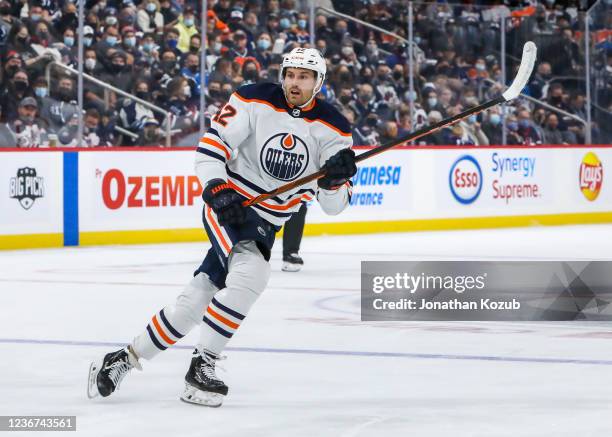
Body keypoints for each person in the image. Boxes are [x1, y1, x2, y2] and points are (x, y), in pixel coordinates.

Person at [87, 47, 357, 407]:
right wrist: (216, 187)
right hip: (232, 206)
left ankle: (124, 358)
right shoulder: (253, 98)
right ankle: (203, 366)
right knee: (253, 274)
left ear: (318, 83)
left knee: (194, 302)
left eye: (304, 77)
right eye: (291, 74)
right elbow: (213, 145)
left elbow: (333, 206)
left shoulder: (336, 129)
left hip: (268, 223)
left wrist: (335, 181)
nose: (295, 82)